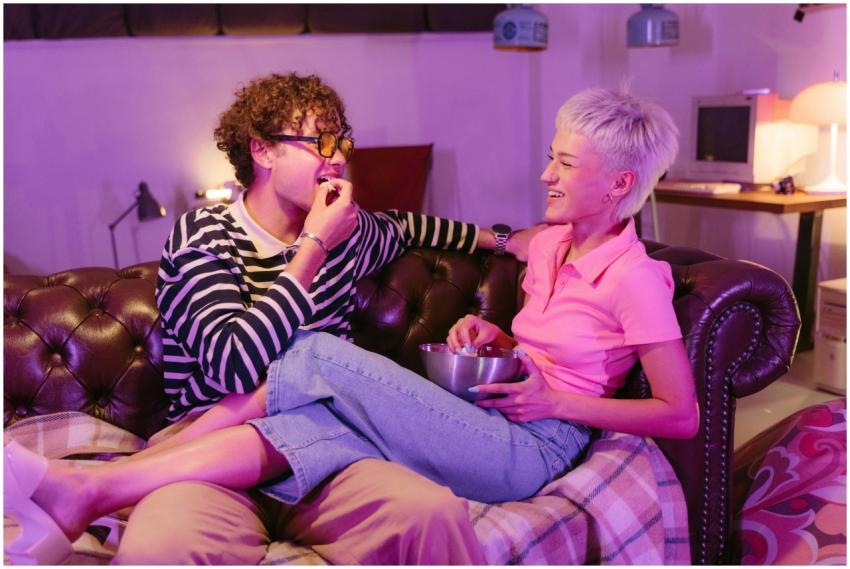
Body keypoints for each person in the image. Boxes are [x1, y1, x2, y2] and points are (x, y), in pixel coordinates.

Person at [4, 85, 699, 564]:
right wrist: (313, 248)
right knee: (168, 540)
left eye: (340, 139)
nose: (335, 155)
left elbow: (414, 226)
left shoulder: (355, 233)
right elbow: (231, 368)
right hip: (213, 444)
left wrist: (488, 240)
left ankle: (96, 485)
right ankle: (108, 484)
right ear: (262, 149)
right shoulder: (207, 232)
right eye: (313, 141)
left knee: (421, 501)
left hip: (354, 443)